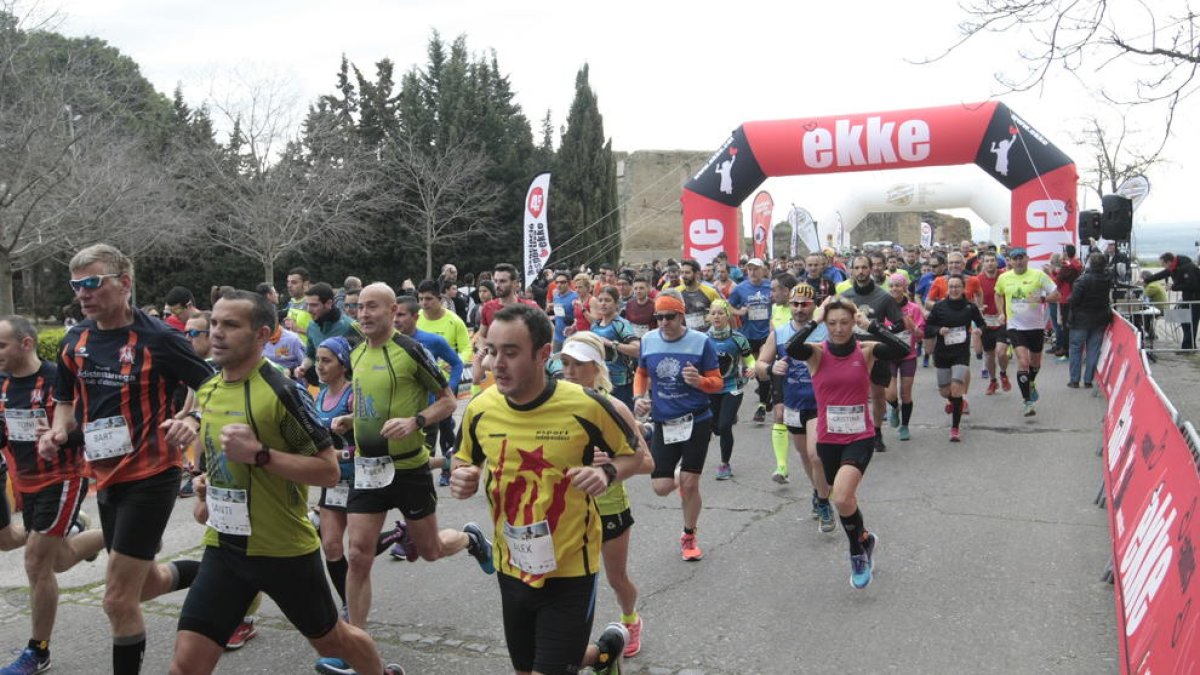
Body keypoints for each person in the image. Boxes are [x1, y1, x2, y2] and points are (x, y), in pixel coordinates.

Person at [168, 291, 405, 675]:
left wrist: (261, 454)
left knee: (334, 640)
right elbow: (221, 464)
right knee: (186, 664)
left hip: (283, 552)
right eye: (214, 324)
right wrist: (206, 487)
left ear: (262, 334)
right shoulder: (209, 390)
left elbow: (327, 470)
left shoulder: (283, 391)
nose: (217, 333)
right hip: (224, 549)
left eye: (231, 325)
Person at [38, 244, 212, 675]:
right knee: (146, 583)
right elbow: (64, 399)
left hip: (152, 474)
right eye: (76, 285)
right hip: (105, 475)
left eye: (93, 283)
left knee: (118, 599)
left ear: (125, 283)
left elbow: (215, 389)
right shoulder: (74, 339)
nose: (83, 293)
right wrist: (60, 430)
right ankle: (226, 576)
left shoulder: (159, 338)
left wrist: (192, 417)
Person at [450, 304, 641, 675]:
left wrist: (607, 474)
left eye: (511, 352)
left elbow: (634, 456)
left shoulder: (587, 406)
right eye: (491, 350)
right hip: (512, 566)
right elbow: (464, 459)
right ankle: (603, 654)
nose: (496, 364)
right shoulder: (480, 408)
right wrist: (463, 476)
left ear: (542, 355)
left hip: (570, 570)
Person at [324, 282, 492, 674]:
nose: (363, 314)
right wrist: (354, 419)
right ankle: (355, 646)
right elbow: (369, 401)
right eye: (359, 308)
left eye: (372, 308)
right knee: (358, 554)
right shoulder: (358, 352)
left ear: (391, 310)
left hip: (409, 468)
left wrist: (415, 420)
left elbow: (450, 401)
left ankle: (469, 539)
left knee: (430, 549)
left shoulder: (410, 349)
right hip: (368, 469)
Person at [0, 315, 106, 675]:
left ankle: (38, 651)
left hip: (62, 478)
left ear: (26, 344)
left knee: (35, 563)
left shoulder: (57, 379)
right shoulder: (1, 385)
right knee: (57, 561)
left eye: (2, 345)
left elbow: (89, 426)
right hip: (26, 483)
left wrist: (59, 437)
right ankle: (119, 535)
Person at [785, 296, 911, 589]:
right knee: (841, 499)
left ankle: (856, 552)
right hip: (829, 439)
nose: (839, 329)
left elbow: (901, 349)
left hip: (859, 436)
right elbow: (791, 348)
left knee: (842, 497)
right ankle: (865, 539)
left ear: (854, 321)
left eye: (845, 322)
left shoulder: (865, 350)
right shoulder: (816, 353)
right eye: (832, 323)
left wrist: (873, 325)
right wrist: (815, 320)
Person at [558, 331, 655, 659]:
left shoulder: (614, 407)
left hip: (609, 507)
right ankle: (573, 648)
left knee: (616, 579)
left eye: (578, 365)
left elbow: (647, 462)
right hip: (568, 508)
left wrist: (610, 465)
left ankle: (630, 619)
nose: (569, 372)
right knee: (566, 582)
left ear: (596, 367)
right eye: (565, 364)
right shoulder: (553, 406)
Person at [633, 292, 724, 561]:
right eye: (658, 317)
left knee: (690, 482)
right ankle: (681, 474)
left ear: (681, 315)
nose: (663, 322)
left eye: (669, 316)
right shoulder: (648, 340)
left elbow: (717, 382)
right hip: (665, 422)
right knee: (661, 488)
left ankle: (689, 535)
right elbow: (641, 373)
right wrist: (639, 397)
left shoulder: (700, 342)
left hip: (697, 420)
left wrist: (700, 382)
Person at [755, 284, 836, 534]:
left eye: (805, 304)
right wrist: (770, 369)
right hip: (793, 403)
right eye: (795, 304)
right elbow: (759, 364)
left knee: (816, 455)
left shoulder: (825, 330)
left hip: (819, 402)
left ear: (814, 305)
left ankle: (824, 503)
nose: (800, 309)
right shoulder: (779, 334)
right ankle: (818, 491)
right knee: (803, 454)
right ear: (789, 305)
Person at [838, 256, 905, 452]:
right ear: (851, 270)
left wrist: (883, 332)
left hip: (877, 351)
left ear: (872, 269)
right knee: (852, 394)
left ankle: (876, 432)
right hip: (852, 352)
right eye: (856, 268)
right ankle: (856, 432)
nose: (860, 271)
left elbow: (899, 323)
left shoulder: (883, 297)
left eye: (864, 267)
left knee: (877, 395)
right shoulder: (846, 297)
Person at [994, 247, 1060, 416]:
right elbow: (998, 294)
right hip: (1015, 327)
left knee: (1035, 363)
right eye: (1014, 259)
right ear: (1010, 261)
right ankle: (1027, 402)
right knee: (1023, 362)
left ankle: (1030, 382)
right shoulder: (1003, 278)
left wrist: (1042, 299)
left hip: (1036, 326)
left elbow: (1057, 295)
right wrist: (1001, 312)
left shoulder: (1038, 276)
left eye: (1021, 258)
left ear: (1027, 258)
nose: (1018, 261)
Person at [925, 276, 987, 441]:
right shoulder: (939, 307)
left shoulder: (970, 307)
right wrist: (939, 330)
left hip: (961, 353)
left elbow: (982, 323)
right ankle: (954, 402)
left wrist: (979, 330)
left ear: (963, 288)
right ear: (947, 289)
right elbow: (928, 327)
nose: (954, 290)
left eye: (957, 287)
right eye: (951, 287)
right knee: (945, 392)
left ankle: (955, 428)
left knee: (957, 388)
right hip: (942, 353)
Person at [704, 300, 752, 481]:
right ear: (709, 317)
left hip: (732, 386)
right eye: (713, 313)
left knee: (724, 427)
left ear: (727, 316)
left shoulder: (738, 338)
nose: (716, 316)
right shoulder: (702, 339)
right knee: (715, 427)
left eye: (720, 313)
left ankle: (724, 464)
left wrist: (751, 368)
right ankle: (727, 416)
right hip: (710, 387)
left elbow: (749, 359)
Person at [727, 257, 774, 425]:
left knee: (761, 369)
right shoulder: (740, 289)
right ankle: (767, 393)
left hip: (767, 335)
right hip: (748, 334)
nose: (753, 272)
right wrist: (739, 312)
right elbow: (728, 306)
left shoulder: (770, 286)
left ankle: (761, 406)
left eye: (756, 269)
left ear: (763, 270)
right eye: (750, 269)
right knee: (755, 370)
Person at [883, 273, 925, 442]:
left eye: (898, 285)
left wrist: (913, 327)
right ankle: (894, 407)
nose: (894, 289)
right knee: (890, 394)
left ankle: (905, 426)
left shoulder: (914, 308)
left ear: (904, 288)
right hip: (889, 354)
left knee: (906, 394)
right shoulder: (884, 307)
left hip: (908, 355)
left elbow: (921, 334)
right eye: (892, 286)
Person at [296, 282, 362, 384]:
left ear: (329, 303)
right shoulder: (312, 326)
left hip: (349, 392)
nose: (309, 310)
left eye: (314, 305)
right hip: (324, 391)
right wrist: (303, 367)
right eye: (307, 305)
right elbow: (310, 355)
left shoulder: (350, 326)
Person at [590, 285, 641, 409]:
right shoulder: (595, 326)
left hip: (621, 383)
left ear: (617, 303)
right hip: (601, 381)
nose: (603, 304)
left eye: (607, 300)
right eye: (600, 300)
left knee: (622, 420)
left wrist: (611, 343)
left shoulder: (621, 324)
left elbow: (637, 349)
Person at [1068, 253, 1114, 388]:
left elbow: (1073, 300)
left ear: (1090, 264)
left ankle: (1074, 380)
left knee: (1076, 348)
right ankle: (1088, 380)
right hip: (1100, 319)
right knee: (1093, 349)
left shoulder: (1082, 280)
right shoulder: (1107, 279)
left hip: (1081, 320)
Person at [1143, 252, 1200, 349]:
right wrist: (1147, 280)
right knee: (1182, 319)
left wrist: (1173, 287)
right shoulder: (1173, 267)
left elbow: (1192, 285)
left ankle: (1188, 347)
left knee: (1192, 323)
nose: (1163, 266)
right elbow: (1161, 274)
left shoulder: (1188, 267)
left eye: (1163, 264)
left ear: (1169, 262)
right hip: (1187, 298)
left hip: (1196, 299)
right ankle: (1188, 346)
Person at [975, 251, 1012, 395]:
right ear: (982, 264)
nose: (990, 263)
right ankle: (993, 381)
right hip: (986, 321)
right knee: (989, 355)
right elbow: (972, 298)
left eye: (992, 260)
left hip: (1003, 319)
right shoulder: (977, 280)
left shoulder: (1005, 277)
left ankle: (1003, 373)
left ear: (997, 262)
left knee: (1001, 352)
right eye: (987, 261)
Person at [673, 259, 720, 331]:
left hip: (705, 336)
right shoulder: (676, 292)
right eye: (682, 272)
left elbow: (722, 312)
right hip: (684, 336)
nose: (683, 276)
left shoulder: (710, 292)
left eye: (687, 272)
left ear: (697, 274)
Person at [548, 272, 578, 351]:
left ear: (569, 283)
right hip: (557, 337)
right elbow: (559, 314)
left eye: (562, 282)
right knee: (556, 361)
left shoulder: (575, 296)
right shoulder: (556, 296)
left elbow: (579, 318)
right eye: (557, 282)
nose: (559, 285)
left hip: (571, 337)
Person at [285, 267, 314, 347]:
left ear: (305, 284)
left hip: (309, 354)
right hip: (292, 353)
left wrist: (298, 329)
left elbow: (323, 333)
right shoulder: (292, 301)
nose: (289, 285)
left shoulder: (312, 303)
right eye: (288, 282)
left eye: (294, 282)